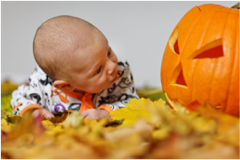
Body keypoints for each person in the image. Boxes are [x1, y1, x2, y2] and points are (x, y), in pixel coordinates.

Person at [10, 15, 139, 120]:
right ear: (66, 86)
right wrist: (34, 111)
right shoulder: (42, 85)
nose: (112, 66)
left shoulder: (120, 72)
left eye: (108, 52)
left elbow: (131, 101)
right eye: (98, 70)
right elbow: (18, 98)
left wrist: (105, 113)